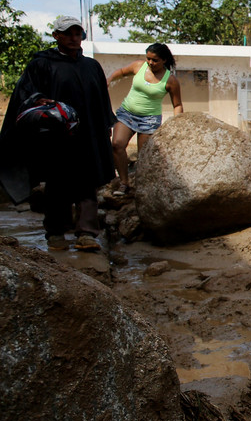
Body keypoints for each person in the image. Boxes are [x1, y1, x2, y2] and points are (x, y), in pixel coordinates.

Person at [0, 15, 115, 251]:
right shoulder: (41, 64)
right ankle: (56, 234)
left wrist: (104, 131)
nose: (74, 38)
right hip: (56, 139)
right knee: (57, 184)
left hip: (87, 136)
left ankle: (86, 234)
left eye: (77, 33)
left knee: (87, 182)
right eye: (68, 34)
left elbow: (102, 101)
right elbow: (26, 95)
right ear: (56, 36)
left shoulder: (91, 66)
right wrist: (38, 100)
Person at [106, 43, 183, 195]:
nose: (150, 63)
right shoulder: (138, 66)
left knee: (143, 157)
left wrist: (177, 125)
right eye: (148, 58)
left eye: (155, 60)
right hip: (127, 113)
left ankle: (141, 187)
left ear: (164, 60)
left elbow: (177, 104)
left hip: (149, 120)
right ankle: (124, 182)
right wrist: (108, 80)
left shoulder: (170, 80)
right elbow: (121, 72)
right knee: (116, 145)